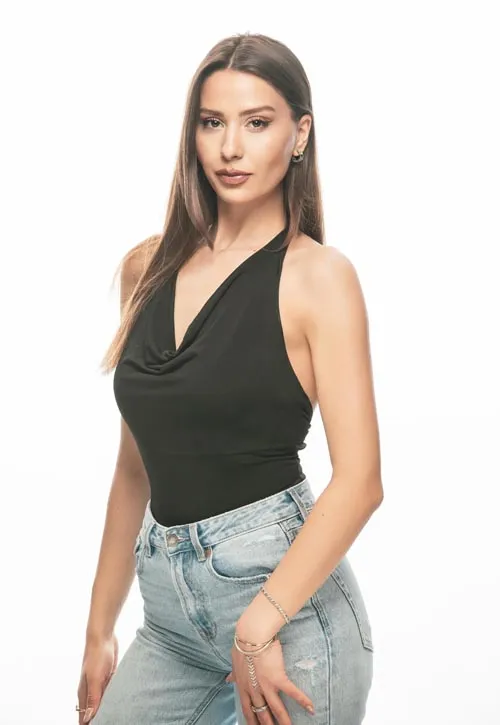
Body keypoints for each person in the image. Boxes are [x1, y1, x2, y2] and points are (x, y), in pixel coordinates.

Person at [76, 31, 383, 725]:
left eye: (257, 123)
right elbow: (135, 467)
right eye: (212, 122)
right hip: (170, 620)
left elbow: (361, 480)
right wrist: (99, 628)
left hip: (289, 613)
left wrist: (260, 624)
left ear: (299, 134)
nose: (230, 148)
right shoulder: (146, 269)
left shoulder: (318, 278)